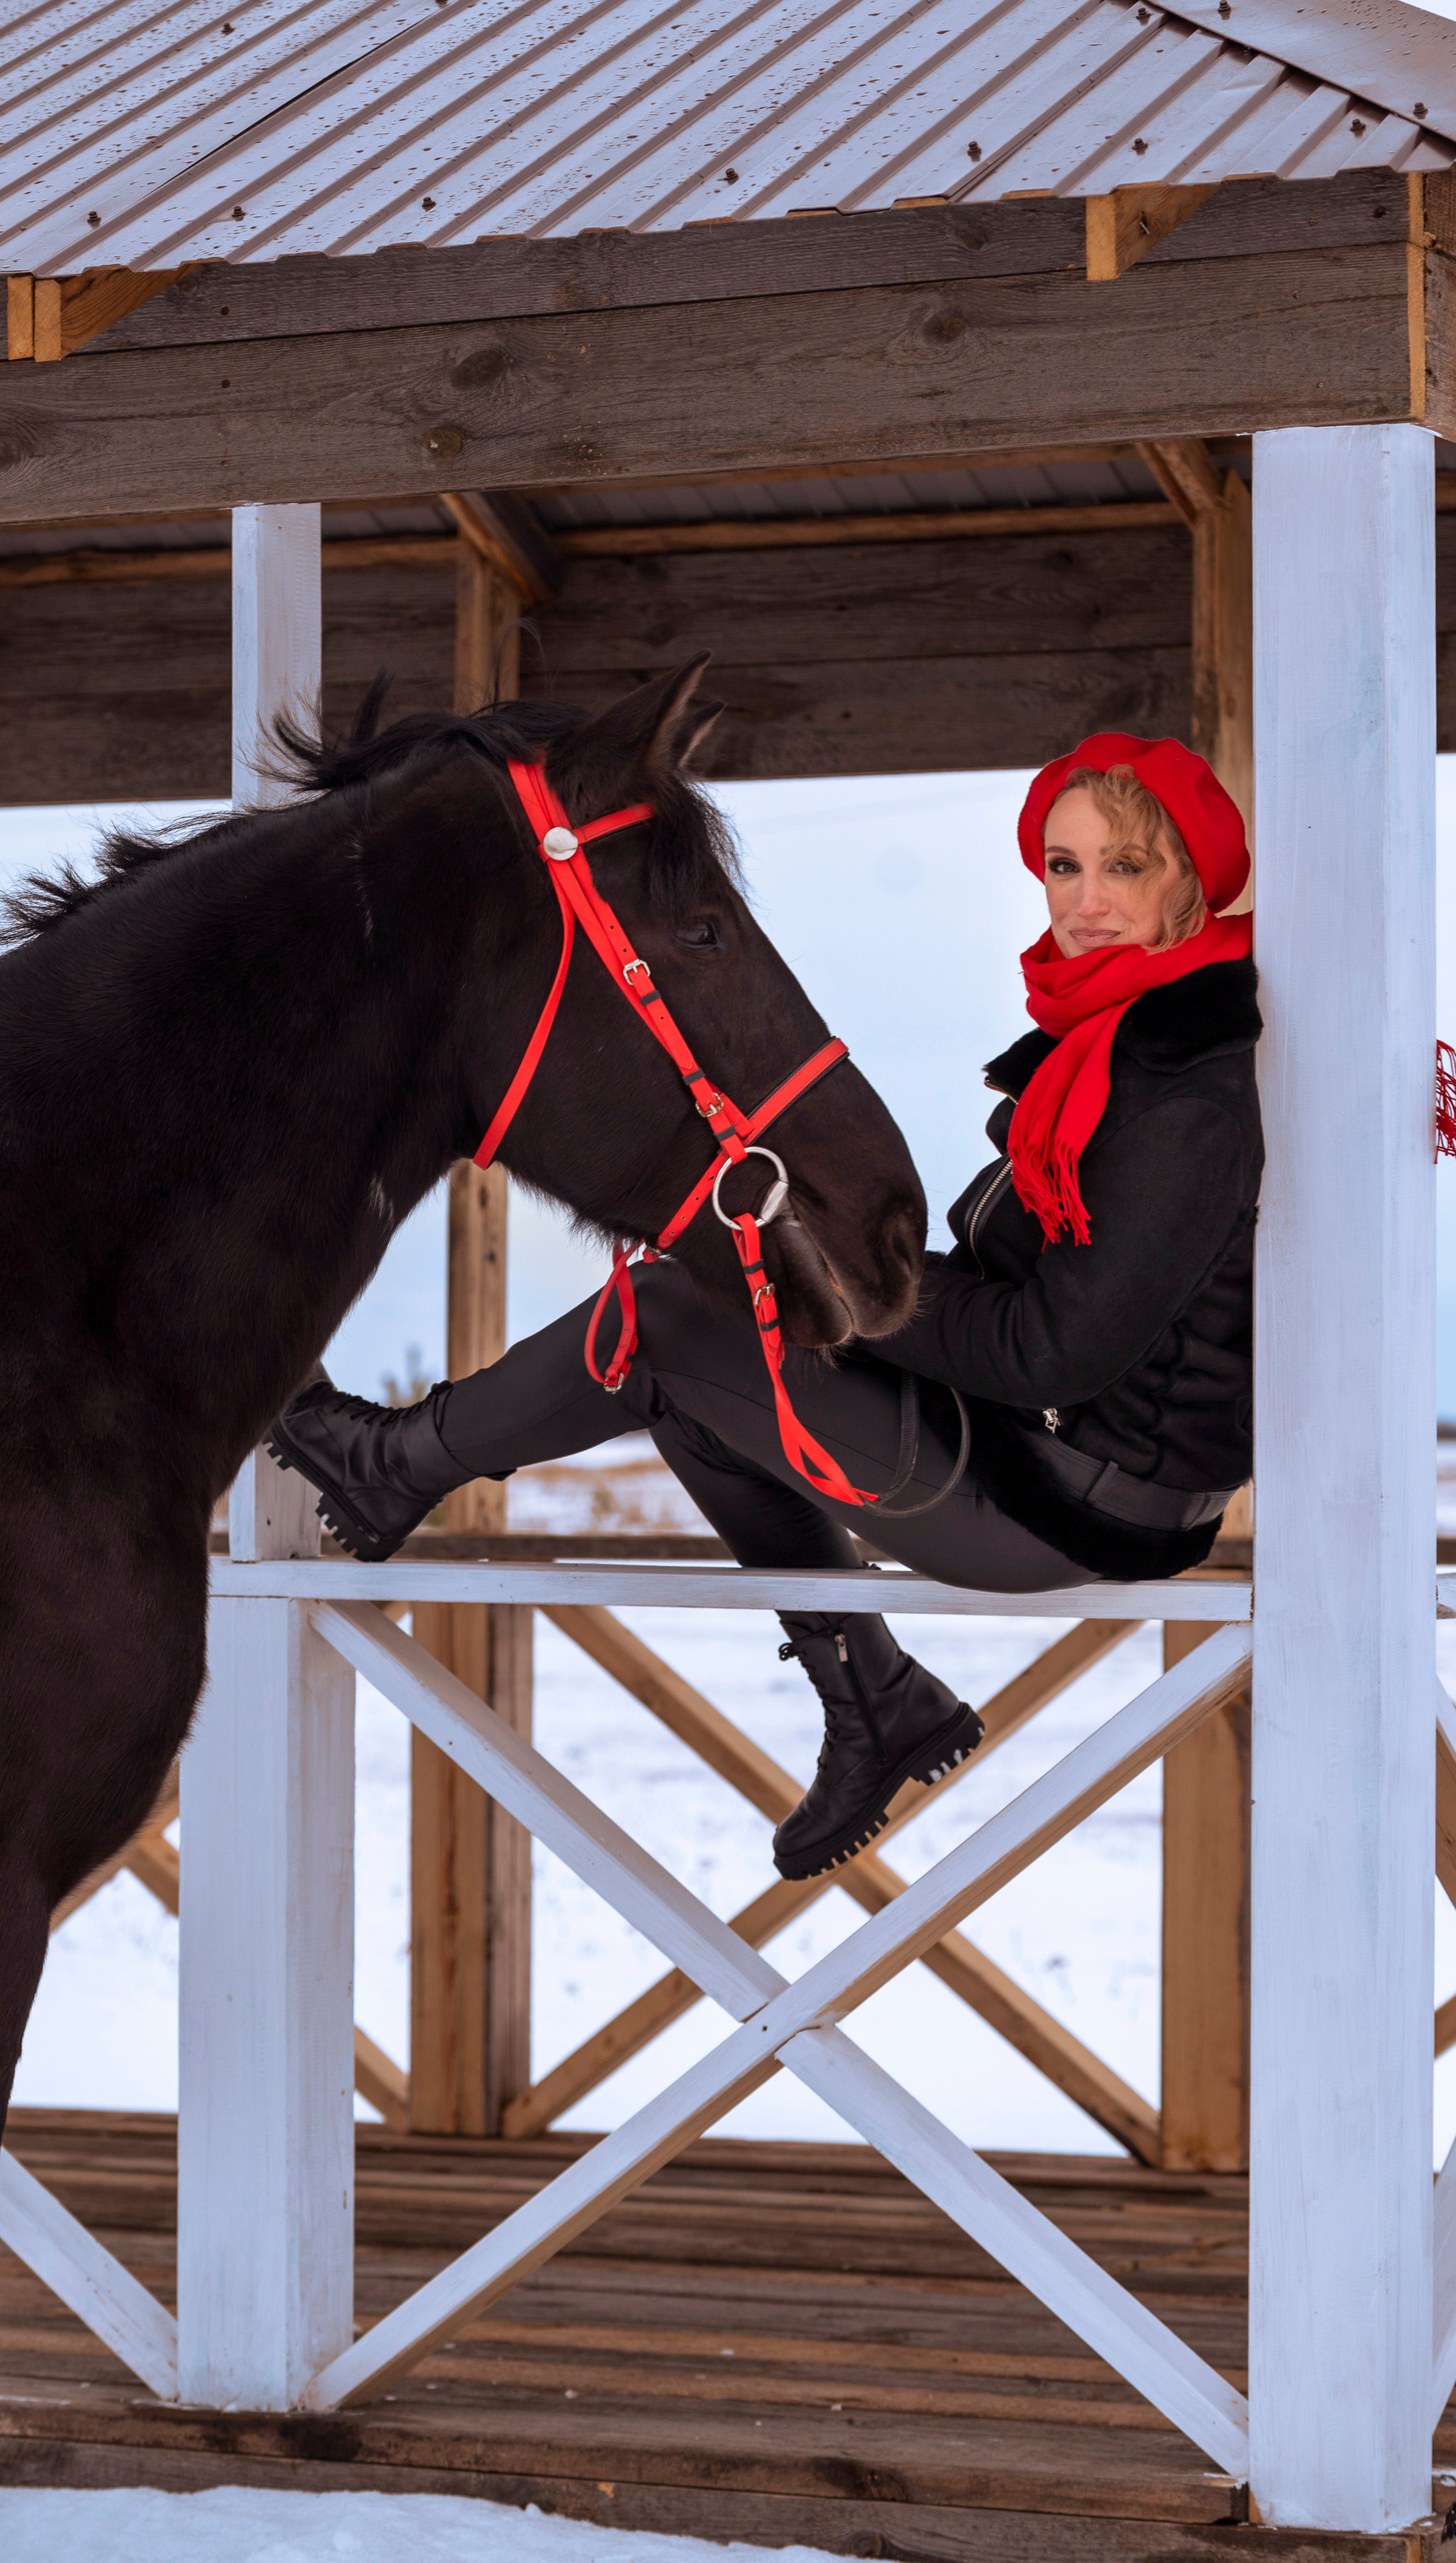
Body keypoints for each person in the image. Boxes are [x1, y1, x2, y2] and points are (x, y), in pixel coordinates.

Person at [269, 733, 1261, 1883]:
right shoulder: (1116, 1043)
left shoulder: (1186, 1088)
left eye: (1125, 868)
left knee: (663, 1313)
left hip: (1068, 1497)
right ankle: (874, 1699)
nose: (1085, 902)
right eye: (1062, 864)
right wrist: (834, 1276)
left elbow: (1051, 1350)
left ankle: (394, 1461)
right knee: (700, 1383)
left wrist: (848, 1271)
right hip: (1045, 1451)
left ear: (1192, 879)